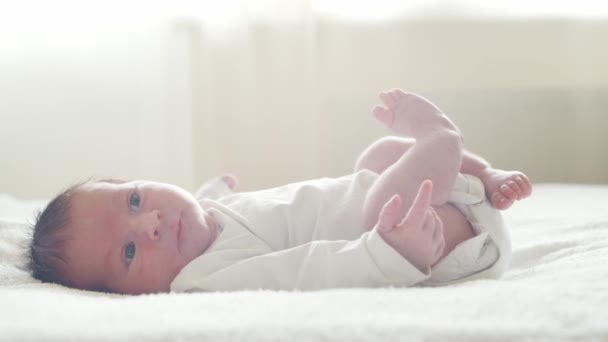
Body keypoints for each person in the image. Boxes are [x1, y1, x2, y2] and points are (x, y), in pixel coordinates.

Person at [29, 89, 532, 294]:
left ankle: (482, 175)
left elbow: (202, 204)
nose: (151, 222)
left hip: (433, 196)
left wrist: (213, 189)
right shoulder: (204, 279)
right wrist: (388, 255)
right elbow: (308, 270)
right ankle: (442, 137)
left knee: (373, 162)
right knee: (382, 200)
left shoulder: (204, 216)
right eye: (130, 250)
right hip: (432, 241)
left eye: (135, 200)